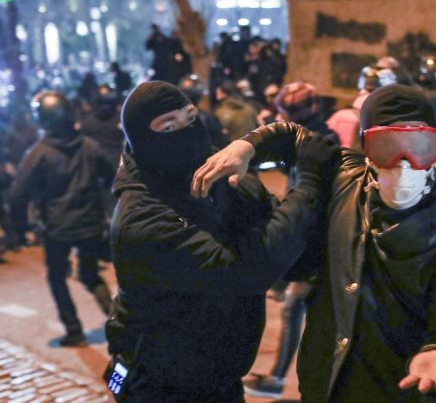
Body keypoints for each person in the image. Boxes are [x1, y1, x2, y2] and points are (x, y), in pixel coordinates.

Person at [193, 84, 436, 402]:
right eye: (386, 145)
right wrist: (247, 146)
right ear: (365, 148)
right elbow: (294, 136)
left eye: (417, 145)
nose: (403, 162)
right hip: (328, 379)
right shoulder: (344, 176)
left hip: (401, 387)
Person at [104, 81, 336, 400]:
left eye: (190, 117)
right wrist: (308, 186)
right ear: (144, 140)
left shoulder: (218, 177)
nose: (187, 131)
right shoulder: (142, 218)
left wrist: (253, 144)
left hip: (219, 379)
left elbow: (285, 244)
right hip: (161, 387)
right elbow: (245, 271)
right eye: (169, 126)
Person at [9, 91, 115, 346]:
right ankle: (118, 321)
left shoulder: (39, 154)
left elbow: (17, 195)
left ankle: (74, 329)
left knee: (57, 277)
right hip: (89, 223)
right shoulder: (89, 146)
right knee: (90, 275)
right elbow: (112, 178)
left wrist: (21, 230)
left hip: (57, 227)